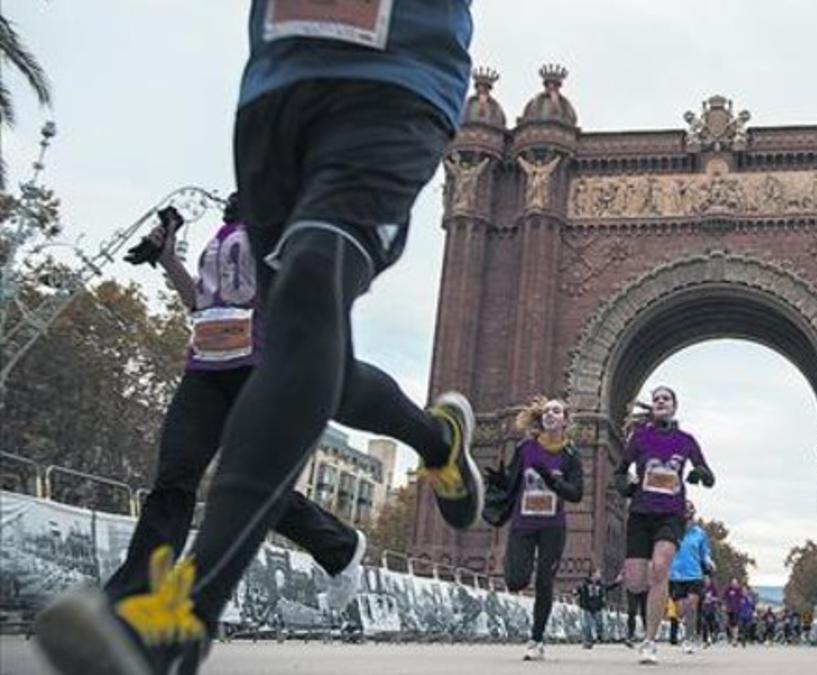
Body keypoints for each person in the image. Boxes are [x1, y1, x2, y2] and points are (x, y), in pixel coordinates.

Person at [34, 4, 481, 674]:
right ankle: (436, 439)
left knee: (309, 290)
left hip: (394, 79)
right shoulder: (223, 230)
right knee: (301, 340)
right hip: (275, 83)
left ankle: (179, 619)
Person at [104, 197, 366, 622]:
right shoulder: (222, 233)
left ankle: (339, 545)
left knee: (251, 489)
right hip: (204, 372)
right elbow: (201, 304)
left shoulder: (283, 223)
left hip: (258, 372)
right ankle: (131, 595)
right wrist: (168, 258)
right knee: (173, 479)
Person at [616, 386, 715, 664]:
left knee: (660, 568)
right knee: (636, 582)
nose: (661, 401)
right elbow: (620, 472)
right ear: (653, 406)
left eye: (666, 398)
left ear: (674, 406)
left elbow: (708, 474)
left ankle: (649, 641)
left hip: (671, 515)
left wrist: (700, 473)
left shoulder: (686, 441)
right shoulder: (639, 437)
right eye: (657, 398)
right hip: (640, 513)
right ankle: (651, 601)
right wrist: (626, 486)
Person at [483, 397, 584, 661]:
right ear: (541, 418)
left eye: (557, 411)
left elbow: (576, 494)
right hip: (523, 523)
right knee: (516, 580)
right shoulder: (525, 448)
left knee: (544, 582)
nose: (551, 414)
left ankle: (536, 639)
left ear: (565, 419)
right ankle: (517, 571)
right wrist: (498, 481)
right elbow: (513, 481)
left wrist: (551, 479)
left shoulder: (571, 455)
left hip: (553, 527)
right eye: (547, 410)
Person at [667, 501, 712, 655]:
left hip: (694, 574)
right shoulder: (672, 531)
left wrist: (708, 564)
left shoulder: (700, 534)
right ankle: (686, 627)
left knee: (691, 607)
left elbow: (704, 552)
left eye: (689, 515)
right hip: (675, 575)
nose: (687, 519)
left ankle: (688, 639)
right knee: (680, 611)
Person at [575, 570, 622, 649]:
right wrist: (576, 592)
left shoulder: (600, 585)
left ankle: (599, 635)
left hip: (597, 607)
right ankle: (588, 641)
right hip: (587, 607)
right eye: (597, 574)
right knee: (586, 625)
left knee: (600, 623)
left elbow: (608, 587)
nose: (599, 575)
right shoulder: (584, 585)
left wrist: (617, 582)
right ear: (592, 576)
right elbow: (578, 590)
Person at [723, 578, 745, 645]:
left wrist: (742, 602)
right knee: (729, 624)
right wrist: (724, 605)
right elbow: (724, 597)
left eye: (735, 583)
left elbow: (742, 597)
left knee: (735, 624)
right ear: (731, 583)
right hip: (729, 609)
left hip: (736, 609)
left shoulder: (739, 590)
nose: (734, 584)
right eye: (733, 583)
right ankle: (732, 637)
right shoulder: (728, 589)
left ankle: (735, 639)